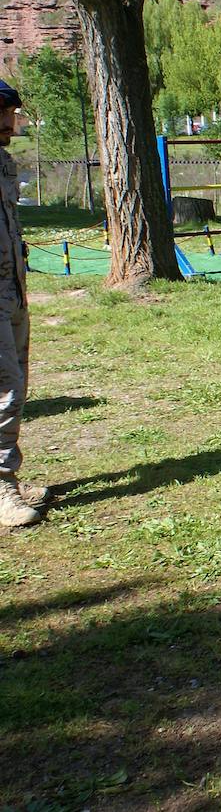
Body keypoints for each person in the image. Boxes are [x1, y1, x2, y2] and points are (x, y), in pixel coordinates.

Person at [0, 79, 49, 527]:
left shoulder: (5, 164)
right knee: (4, 387)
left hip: (12, 289)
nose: (13, 122)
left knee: (18, 384)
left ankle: (8, 479)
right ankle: (1, 487)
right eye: (6, 112)